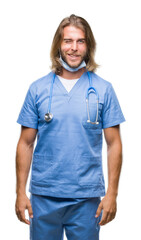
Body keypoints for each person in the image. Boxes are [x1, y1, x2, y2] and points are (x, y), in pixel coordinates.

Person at [15, 14, 125, 240]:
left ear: (88, 46)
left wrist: (112, 193)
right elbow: (25, 143)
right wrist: (19, 192)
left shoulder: (103, 89)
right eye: (68, 41)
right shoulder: (38, 89)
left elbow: (114, 144)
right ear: (59, 45)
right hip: (44, 197)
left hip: (86, 199)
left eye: (80, 41)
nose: (73, 48)